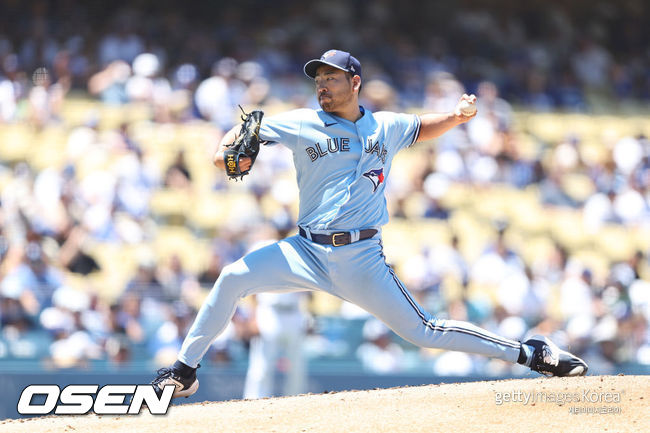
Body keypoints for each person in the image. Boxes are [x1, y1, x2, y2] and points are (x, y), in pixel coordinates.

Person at [150, 49, 588, 398]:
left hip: (361, 257)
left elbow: (419, 126)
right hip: (304, 251)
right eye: (318, 78)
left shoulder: (386, 126)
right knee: (232, 277)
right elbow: (240, 133)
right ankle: (184, 371)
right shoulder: (303, 123)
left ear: (354, 83)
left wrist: (455, 118)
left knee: (425, 332)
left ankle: (530, 353)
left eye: (331, 77)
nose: (321, 84)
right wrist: (227, 152)